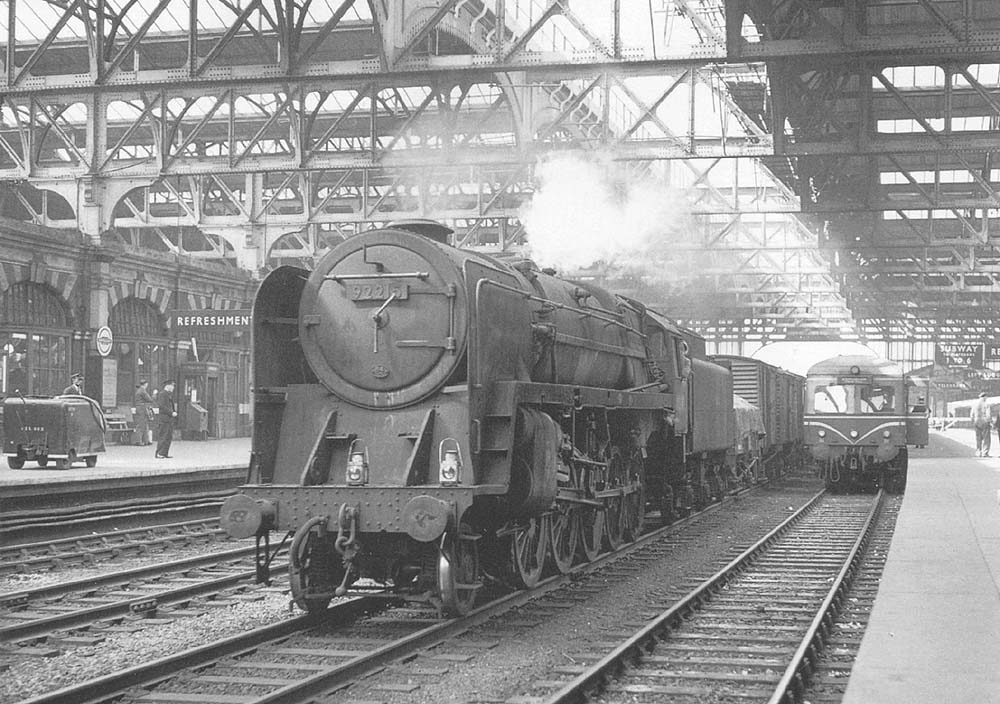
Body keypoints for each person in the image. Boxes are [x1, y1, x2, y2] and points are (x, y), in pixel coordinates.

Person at [155, 380, 178, 459]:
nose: (173, 388)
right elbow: (161, 406)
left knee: (168, 436)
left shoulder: (168, 395)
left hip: (169, 419)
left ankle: (164, 453)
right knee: (163, 436)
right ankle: (159, 453)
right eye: (172, 386)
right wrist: (171, 413)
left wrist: (173, 412)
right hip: (164, 419)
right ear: (168, 386)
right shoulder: (162, 394)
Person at [133, 380, 154, 446]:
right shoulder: (142, 391)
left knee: (144, 424)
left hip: (140, 408)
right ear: (145, 384)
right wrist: (154, 394)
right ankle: (138, 441)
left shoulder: (139, 390)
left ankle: (146, 440)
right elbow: (150, 399)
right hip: (142, 409)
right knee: (141, 425)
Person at [971, 392, 992, 457]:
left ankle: (978, 452)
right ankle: (985, 453)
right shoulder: (986, 404)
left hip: (977, 421)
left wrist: (973, 422)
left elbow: (971, 414)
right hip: (984, 422)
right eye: (986, 397)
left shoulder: (974, 404)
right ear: (984, 397)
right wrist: (990, 422)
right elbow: (988, 415)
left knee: (978, 438)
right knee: (986, 438)